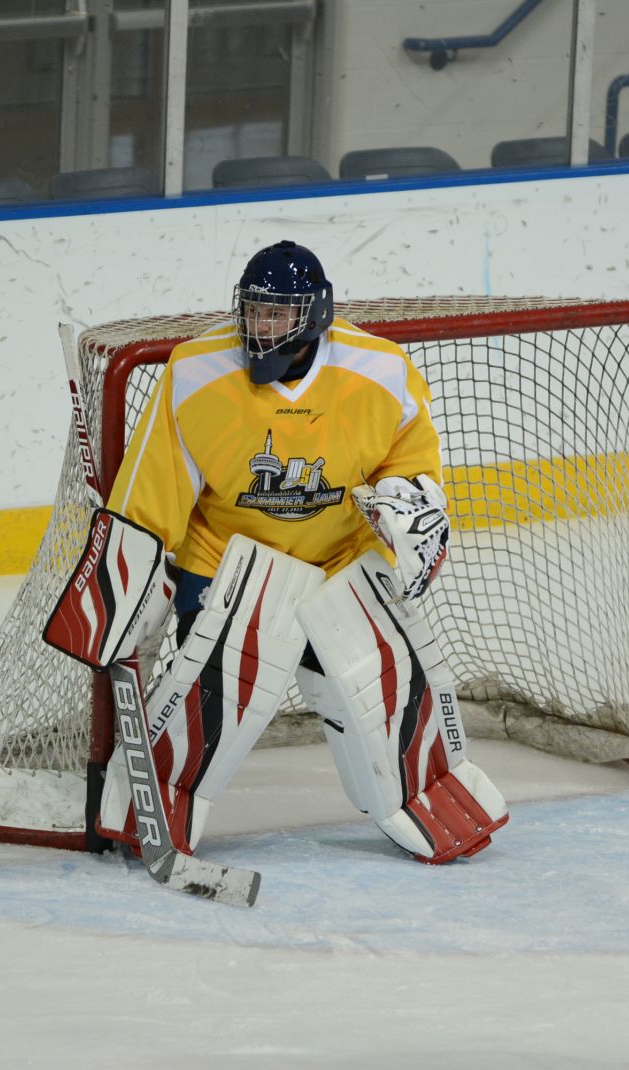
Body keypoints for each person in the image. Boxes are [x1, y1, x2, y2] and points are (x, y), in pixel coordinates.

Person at [72, 239, 507, 864]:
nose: (261, 326)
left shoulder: (379, 370)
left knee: (387, 685)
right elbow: (153, 489)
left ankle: (426, 792)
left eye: (278, 314)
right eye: (254, 310)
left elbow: (409, 457)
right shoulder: (196, 371)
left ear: (315, 315)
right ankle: (155, 800)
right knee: (219, 689)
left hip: (339, 560)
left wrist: (405, 502)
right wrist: (129, 583)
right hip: (230, 561)